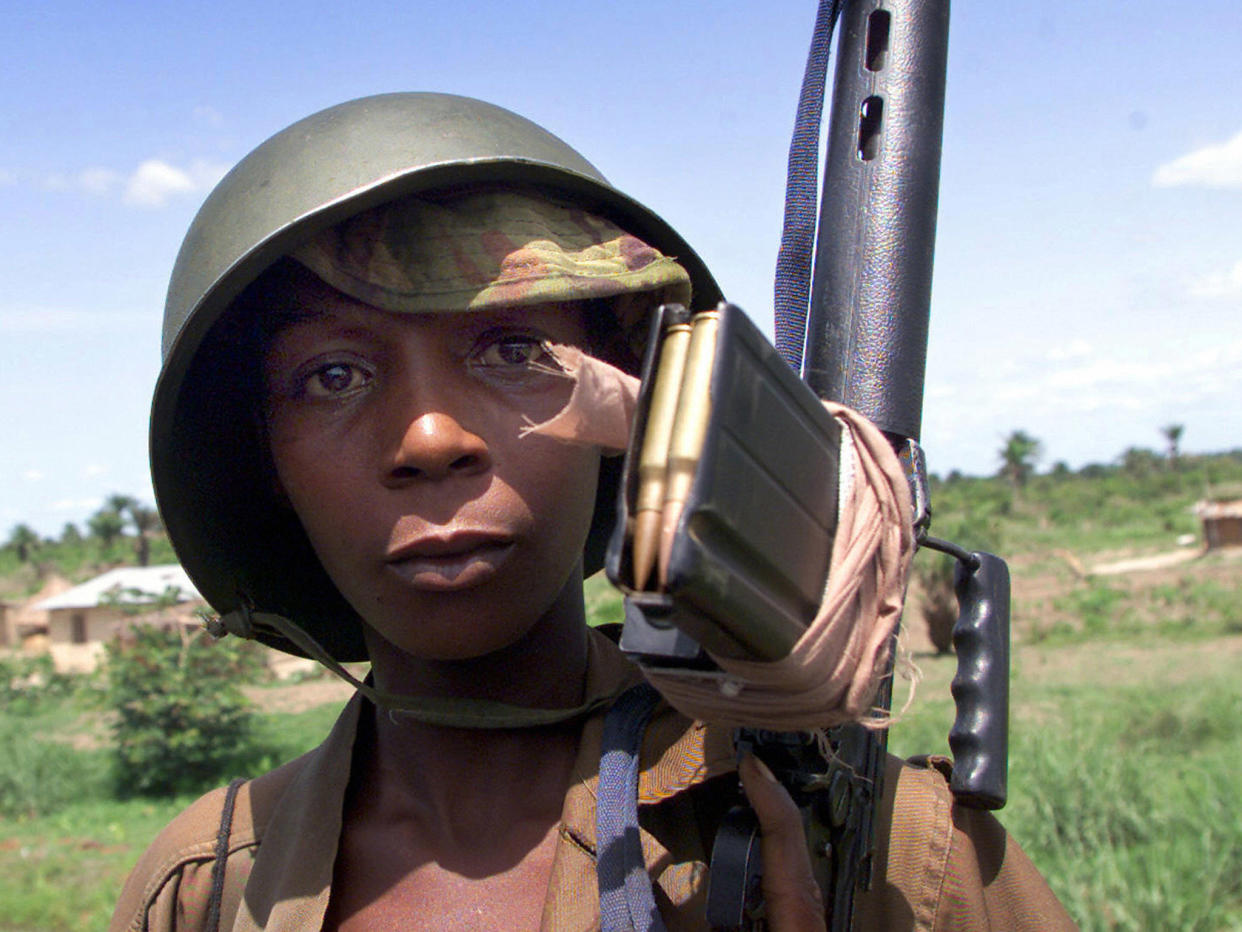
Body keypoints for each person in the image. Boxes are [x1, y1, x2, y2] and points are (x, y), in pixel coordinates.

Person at [110, 93, 1076, 931]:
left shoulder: (882, 854)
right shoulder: (205, 888)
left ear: (640, 408)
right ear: (266, 463)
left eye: (513, 352)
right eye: (333, 375)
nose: (431, 437)